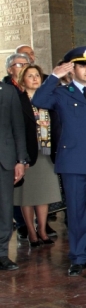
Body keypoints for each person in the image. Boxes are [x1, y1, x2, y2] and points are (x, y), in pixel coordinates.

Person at [32, 46, 86, 276]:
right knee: (77, 211)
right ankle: (78, 257)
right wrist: (53, 77)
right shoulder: (62, 92)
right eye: (82, 66)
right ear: (72, 69)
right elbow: (39, 99)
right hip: (74, 161)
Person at [13, 65, 62, 247]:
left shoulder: (48, 99)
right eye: (30, 76)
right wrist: (19, 157)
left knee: (43, 194)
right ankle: (31, 232)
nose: (34, 78)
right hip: (27, 154)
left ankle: (42, 229)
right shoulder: (17, 100)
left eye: (37, 75)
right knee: (27, 195)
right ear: (22, 80)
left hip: (47, 151)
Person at [0, 72, 28, 271]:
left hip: (5, 159)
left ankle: (2, 254)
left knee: (4, 208)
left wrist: (20, 160)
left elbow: (18, 127)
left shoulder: (9, 91)